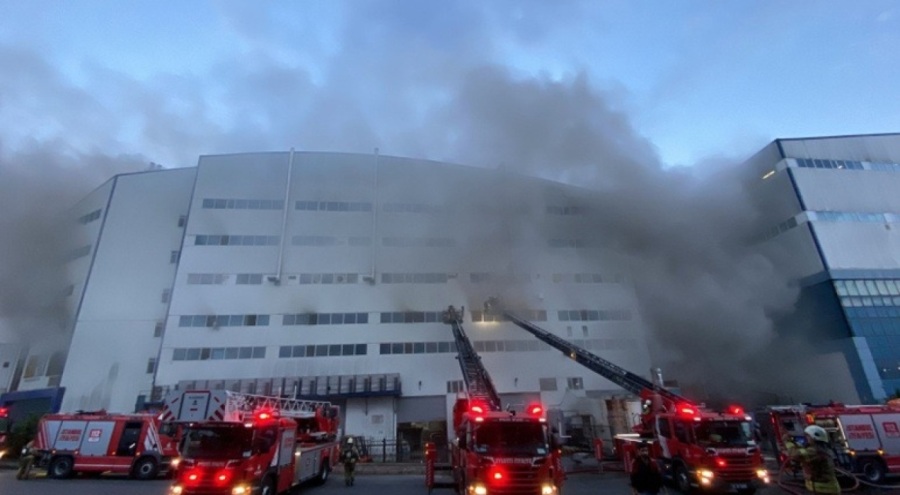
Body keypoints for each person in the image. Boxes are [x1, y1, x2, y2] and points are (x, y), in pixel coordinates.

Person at [784, 425, 840, 494]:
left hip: (823, 490)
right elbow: (803, 449)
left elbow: (794, 455)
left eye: (808, 436)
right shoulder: (821, 449)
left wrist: (788, 443)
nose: (806, 438)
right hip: (821, 489)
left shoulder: (815, 451)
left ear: (814, 438)